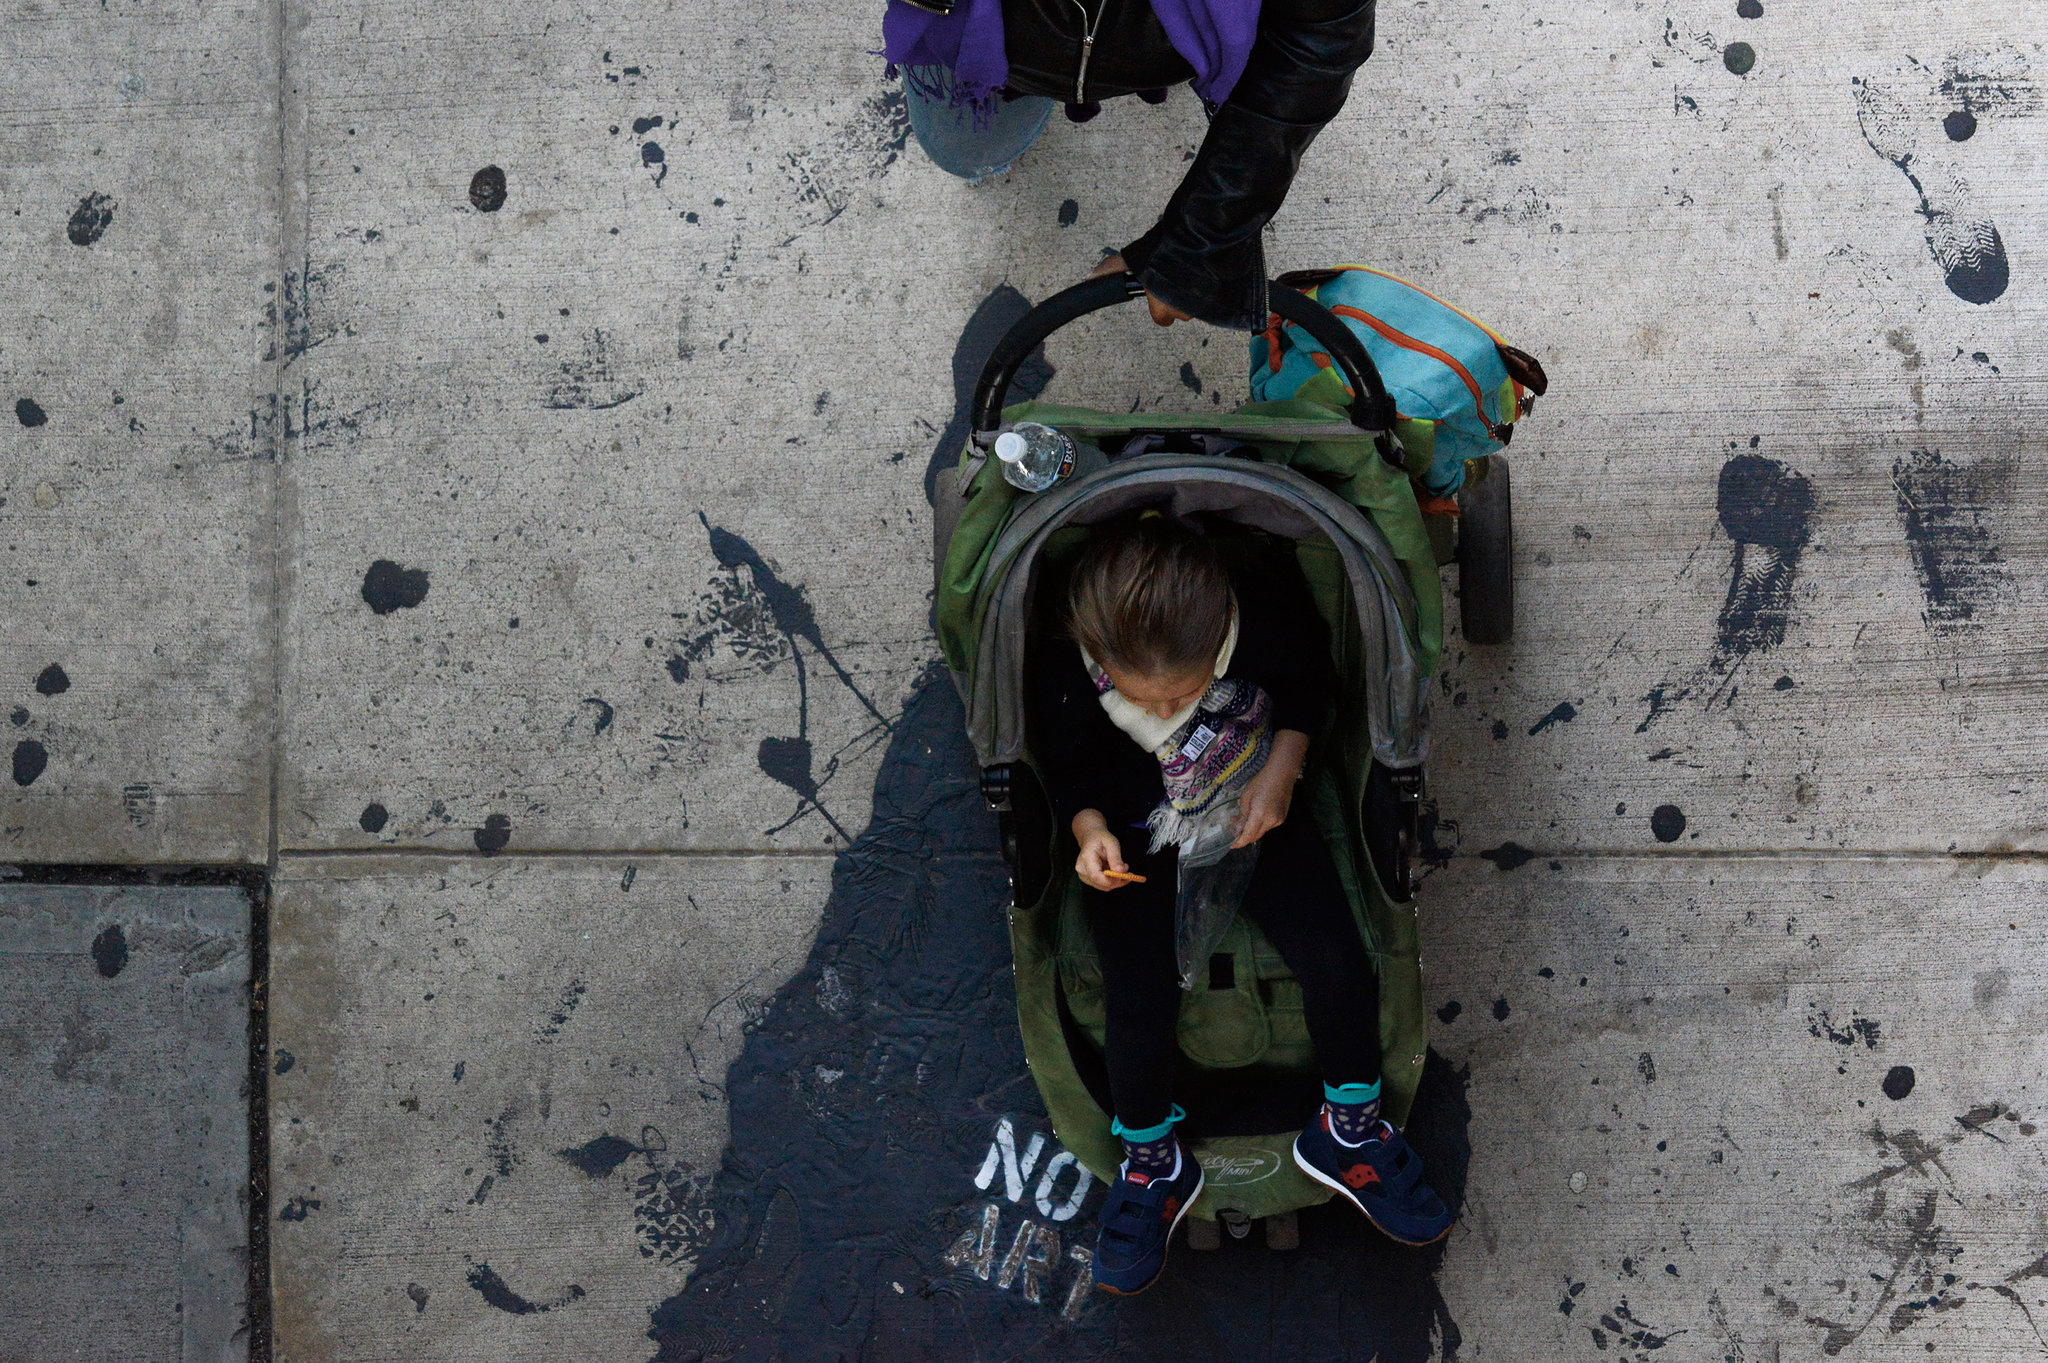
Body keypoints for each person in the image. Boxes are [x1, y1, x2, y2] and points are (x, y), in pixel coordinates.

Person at [1028, 513, 1453, 1294]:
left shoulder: (1257, 610)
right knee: (1137, 998)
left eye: (1182, 697)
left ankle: (1348, 1128)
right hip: (1139, 831)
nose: (1160, 715)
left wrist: (1284, 771)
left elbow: (1308, 687)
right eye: (1140, 699)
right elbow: (1068, 758)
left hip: (1254, 793)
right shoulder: (1071, 661)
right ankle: (1152, 1160)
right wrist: (1088, 834)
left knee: (1337, 963)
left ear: (1219, 631)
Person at [881, 0, 1378, 331]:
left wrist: (1196, 246)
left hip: (1160, 38)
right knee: (967, 149)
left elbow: (1321, 37)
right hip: (977, 34)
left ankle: (1193, 44)